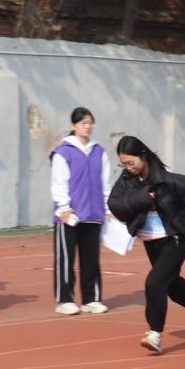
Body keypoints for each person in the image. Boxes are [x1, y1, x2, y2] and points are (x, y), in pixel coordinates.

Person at [108, 135, 185, 354]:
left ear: (143, 156)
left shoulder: (167, 181)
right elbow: (116, 204)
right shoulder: (127, 181)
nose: (128, 168)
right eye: (123, 164)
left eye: (131, 162)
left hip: (174, 241)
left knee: (154, 283)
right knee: (172, 288)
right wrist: (143, 197)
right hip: (151, 243)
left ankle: (154, 333)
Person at [50, 106, 111, 315]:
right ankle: (65, 299)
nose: (87, 127)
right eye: (83, 123)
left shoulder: (99, 152)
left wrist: (107, 208)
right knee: (65, 259)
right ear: (73, 126)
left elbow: (106, 183)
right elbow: (59, 183)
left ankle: (91, 298)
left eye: (90, 123)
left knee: (91, 258)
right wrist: (64, 208)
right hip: (69, 216)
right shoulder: (63, 152)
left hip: (94, 214)